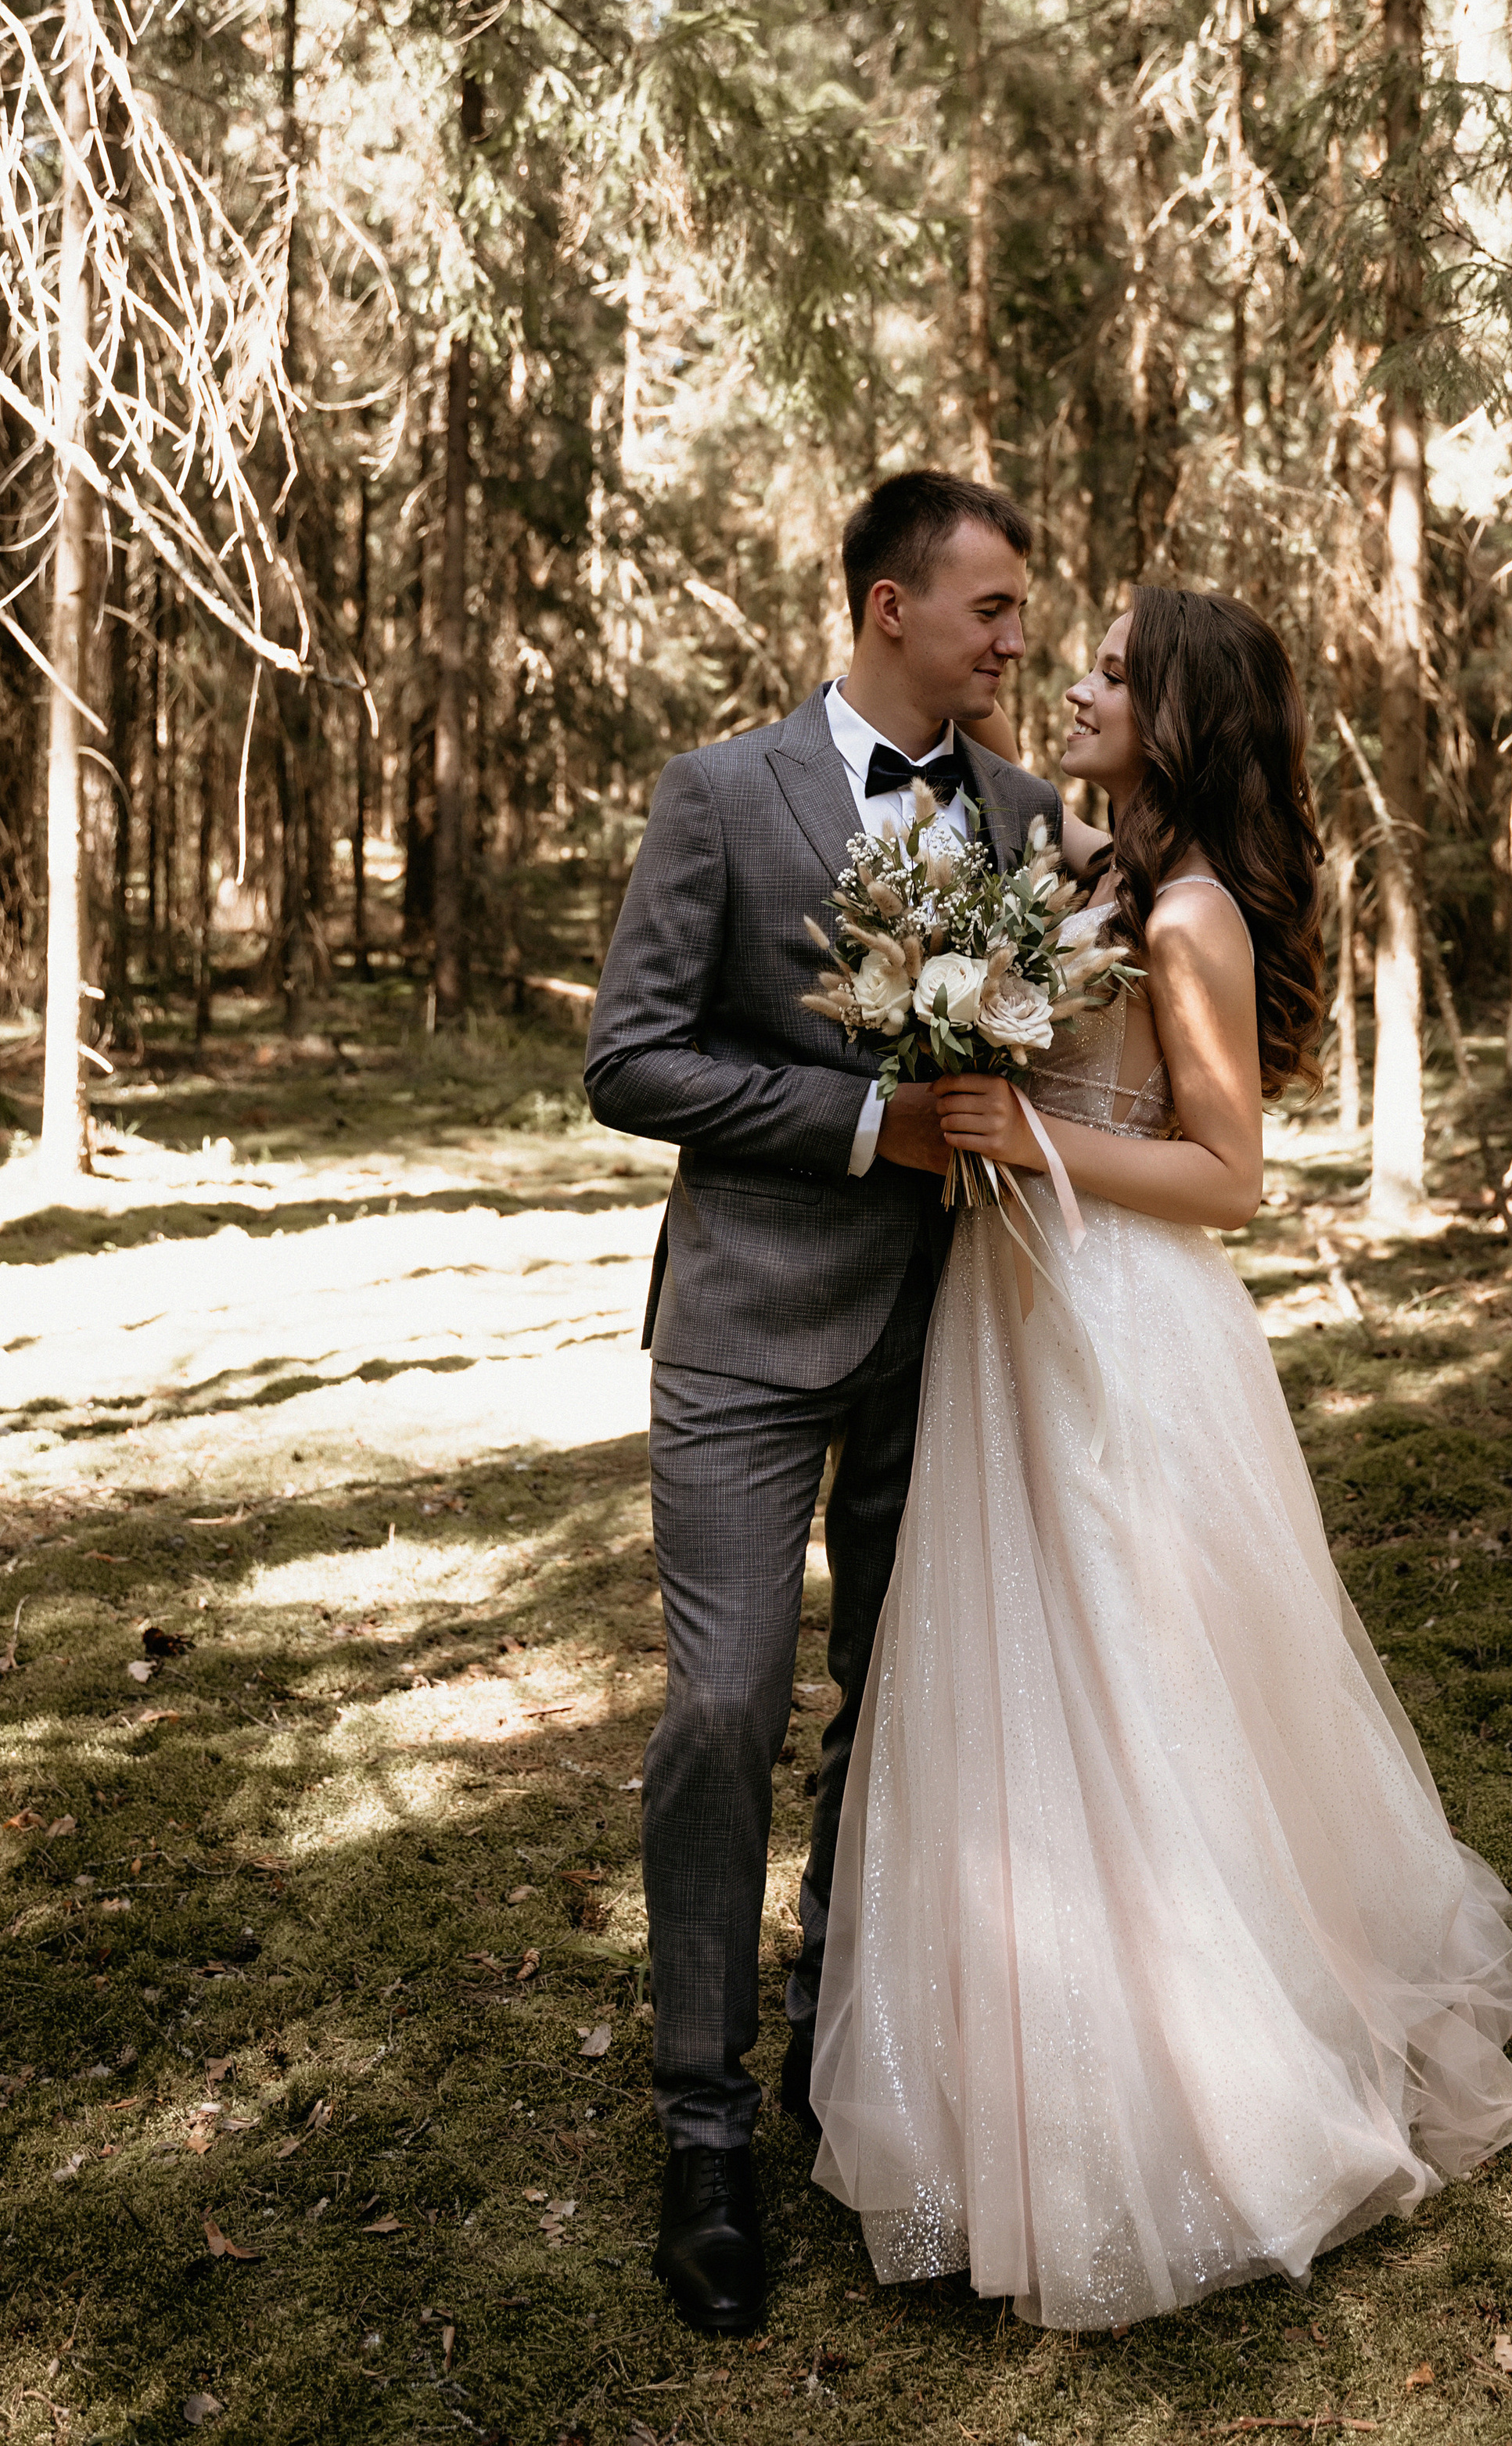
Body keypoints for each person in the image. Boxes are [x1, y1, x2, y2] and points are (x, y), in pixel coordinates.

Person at [809, 586, 1512, 2330]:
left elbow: (1230, 1177)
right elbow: (1055, 898)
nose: (1076, 682)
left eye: (1113, 673)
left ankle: (1195, 2087)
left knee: (1134, 1679)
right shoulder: (1098, 880)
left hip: (1122, 1320)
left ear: (1182, 717)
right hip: (1013, 1312)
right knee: (1004, 1671)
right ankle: (1003, 2081)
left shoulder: (1197, 915)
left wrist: (1025, 1135)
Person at [584, 470, 1063, 2336]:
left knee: (897, 1699)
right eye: (990, 608)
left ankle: (829, 2041)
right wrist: (873, 1122)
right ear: (889, 607)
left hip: (947, 1335)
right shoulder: (721, 795)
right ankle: (699, 2130)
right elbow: (633, 1061)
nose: (1014, 639)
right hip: (739, 1333)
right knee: (723, 1707)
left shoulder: (1023, 817)